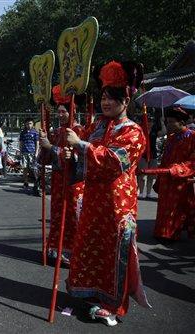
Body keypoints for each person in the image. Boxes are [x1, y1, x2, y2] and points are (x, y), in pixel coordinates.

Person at [65, 60, 151, 326]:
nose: (106, 103)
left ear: (126, 99)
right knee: (91, 247)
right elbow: (76, 140)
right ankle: (91, 293)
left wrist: (80, 145)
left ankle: (114, 305)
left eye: (112, 98)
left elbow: (115, 161)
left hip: (117, 203)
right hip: (93, 199)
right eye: (103, 97)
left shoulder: (134, 132)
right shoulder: (97, 125)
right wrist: (64, 134)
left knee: (116, 253)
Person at [39, 85, 84, 264]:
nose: (60, 114)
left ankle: (72, 252)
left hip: (72, 182)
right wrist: (44, 146)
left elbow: (78, 159)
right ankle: (55, 248)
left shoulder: (78, 131)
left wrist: (51, 148)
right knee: (57, 214)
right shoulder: (57, 131)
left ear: (72, 111)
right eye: (58, 111)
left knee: (72, 216)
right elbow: (47, 159)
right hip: (58, 181)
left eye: (64, 111)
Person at [153, 106, 195, 241]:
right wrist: (159, 178)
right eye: (168, 122)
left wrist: (178, 169)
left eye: (171, 122)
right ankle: (161, 232)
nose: (168, 125)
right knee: (163, 208)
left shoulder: (192, 137)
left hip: (181, 180)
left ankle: (170, 234)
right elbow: (165, 159)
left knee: (176, 209)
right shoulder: (171, 138)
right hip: (167, 179)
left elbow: (193, 161)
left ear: (182, 123)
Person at [137, 120, 159, 199]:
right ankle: (141, 192)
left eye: (151, 121)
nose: (149, 123)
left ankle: (149, 193)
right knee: (141, 175)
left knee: (151, 175)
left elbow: (164, 132)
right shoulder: (141, 131)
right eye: (148, 121)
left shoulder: (154, 131)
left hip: (153, 155)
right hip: (143, 155)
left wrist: (163, 122)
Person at [19, 117, 40, 194]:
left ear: (33, 124)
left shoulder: (35, 132)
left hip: (32, 153)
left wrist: (36, 152)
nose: (29, 125)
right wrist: (20, 151)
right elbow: (21, 142)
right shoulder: (23, 132)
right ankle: (25, 182)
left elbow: (37, 143)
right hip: (24, 152)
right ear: (25, 124)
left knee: (34, 169)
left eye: (30, 123)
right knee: (25, 168)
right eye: (27, 123)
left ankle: (36, 182)